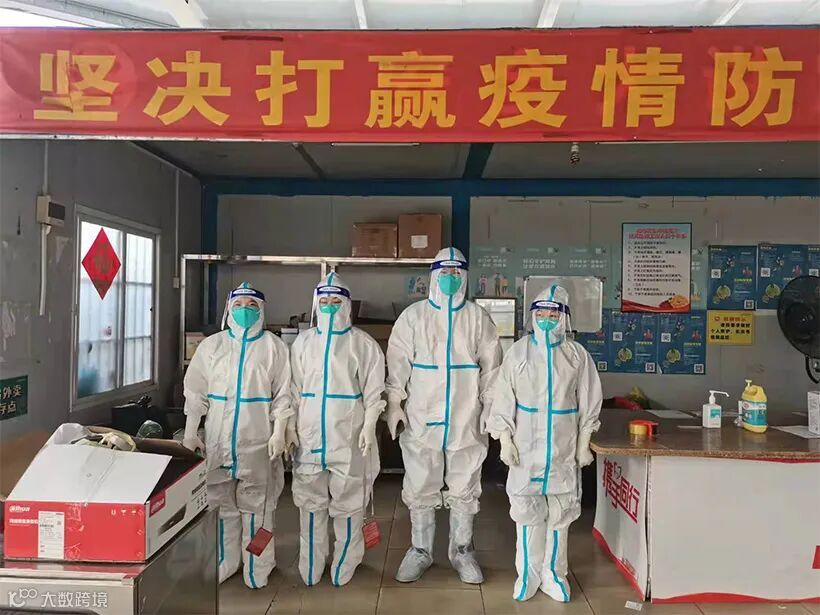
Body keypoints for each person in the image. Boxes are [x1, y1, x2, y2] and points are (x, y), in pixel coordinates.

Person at [385, 247, 502, 584]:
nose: (450, 278)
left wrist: (490, 406)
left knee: (466, 483)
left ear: (464, 276)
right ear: (433, 275)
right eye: (444, 272)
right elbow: (397, 363)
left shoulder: (478, 318)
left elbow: (492, 368)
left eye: (456, 273)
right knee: (421, 480)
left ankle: (462, 551)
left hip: (466, 416)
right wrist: (394, 403)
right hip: (422, 415)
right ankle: (420, 550)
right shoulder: (414, 317)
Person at [488, 285, 602, 602]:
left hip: (563, 449)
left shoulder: (577, 355)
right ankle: (528, 574)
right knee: (526, 512)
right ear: (532, 315)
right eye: (541, 312)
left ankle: (554, 574)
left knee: (560, 514)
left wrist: (584, 443)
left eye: (554, 312)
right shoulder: (518, 353)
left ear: (564, 316)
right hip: (526, 449)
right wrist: (504, 440)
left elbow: (590, 401)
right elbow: (503, 398)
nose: (547, 318)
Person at [182, 282, 292, 589]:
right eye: (239, 304)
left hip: (257, 440)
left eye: (252, 305)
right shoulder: (212, 346)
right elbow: (196, 391)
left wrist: (279, 432)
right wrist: (191, 432)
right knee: (221, 505)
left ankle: (259, 564)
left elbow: (284, 394)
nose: (245, 310)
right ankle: (227, 560)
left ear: (262, 310)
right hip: (218, 440)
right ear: (229, 309)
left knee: (257, 506)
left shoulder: (274, 347)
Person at [280, 273, 385, 587]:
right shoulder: (303, 342)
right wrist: (288, 426)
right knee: (309, 501)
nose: (329, 306)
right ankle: (311, 561)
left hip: (348, 435)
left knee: (349, 501)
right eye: (323, 301)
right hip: (310, 434)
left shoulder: (362, 344)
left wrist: (369, 425)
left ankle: (347, 558)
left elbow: (374, 391)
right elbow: (293, 390)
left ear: (347, 304)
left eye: (335, 301)